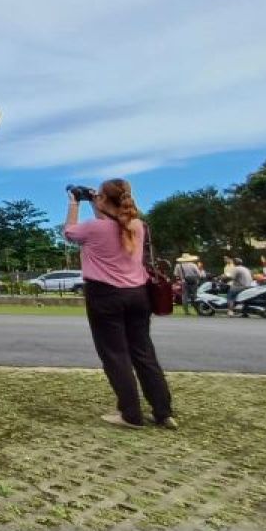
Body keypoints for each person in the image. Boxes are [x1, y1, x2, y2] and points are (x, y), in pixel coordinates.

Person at [64, 178, 176, 429]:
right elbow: (116, 223)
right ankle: (163, 411)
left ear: (104, 200)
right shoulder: (138, 226)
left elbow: (69, 232)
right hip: (138, 295)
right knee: (143, 353)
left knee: (116, 355)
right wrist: (99, 202)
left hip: (105, 295)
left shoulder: (93, 228)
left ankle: (130, 413)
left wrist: (74, 203)